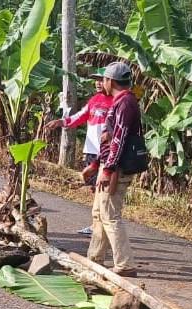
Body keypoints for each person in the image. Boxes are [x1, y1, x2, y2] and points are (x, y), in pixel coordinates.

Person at [89, 62, 141, 277]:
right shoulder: (121, 101)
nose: (102, 83)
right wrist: (97, 165)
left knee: (110, 214)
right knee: (99, 213)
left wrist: (108, 169)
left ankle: (125, 264)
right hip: (110, 164)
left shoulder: (125, 102)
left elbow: (119, 138)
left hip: (116, 168)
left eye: (104, 80)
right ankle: (95, 257)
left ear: (111, 81)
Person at [46, 68, 113, 235]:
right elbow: (79, 117)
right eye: (96, 79)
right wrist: (61, 122)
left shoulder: (115, 102)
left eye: (101, 79)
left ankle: (104, 224)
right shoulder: (94, 100)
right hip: (91, 150)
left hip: (105, 152)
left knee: (103, 188)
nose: (98, 83)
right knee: (93, 188)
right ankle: (96, 223)